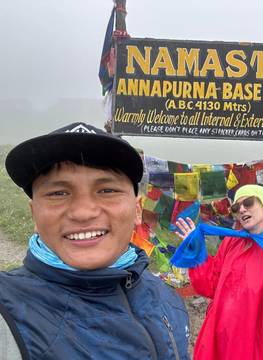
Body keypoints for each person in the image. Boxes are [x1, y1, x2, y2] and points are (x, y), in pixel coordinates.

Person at [0, 122, 190, 359]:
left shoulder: (166, 298)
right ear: (34, 214)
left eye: (107, 190)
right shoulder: (7, 311)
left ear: (137, 210)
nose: (83, 212)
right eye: (58, 193)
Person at [174, 184, 263, 360]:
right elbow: (211, 285)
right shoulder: (232, 242)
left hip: (250, 347)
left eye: (248, 202)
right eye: (236, 207)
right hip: (216, 340)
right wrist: (195, 249)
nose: (241, 209)